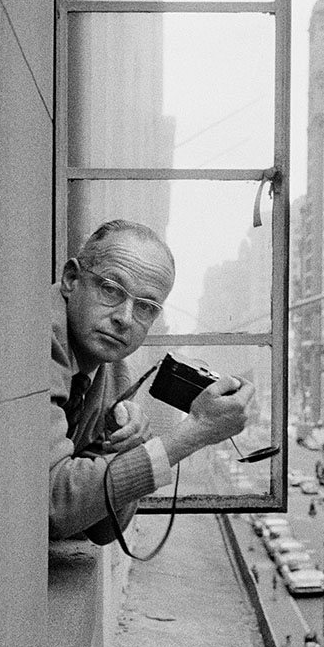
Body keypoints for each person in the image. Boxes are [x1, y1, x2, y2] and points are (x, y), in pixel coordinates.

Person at [50, 219, 255, 544]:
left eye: (145, 307)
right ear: (71, 279)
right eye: (110, 290)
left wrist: (130, 447)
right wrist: (195, 432)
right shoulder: (38, 341)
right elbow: (54, 506)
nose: (125, 318)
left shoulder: (113, 371)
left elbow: (102, 530)